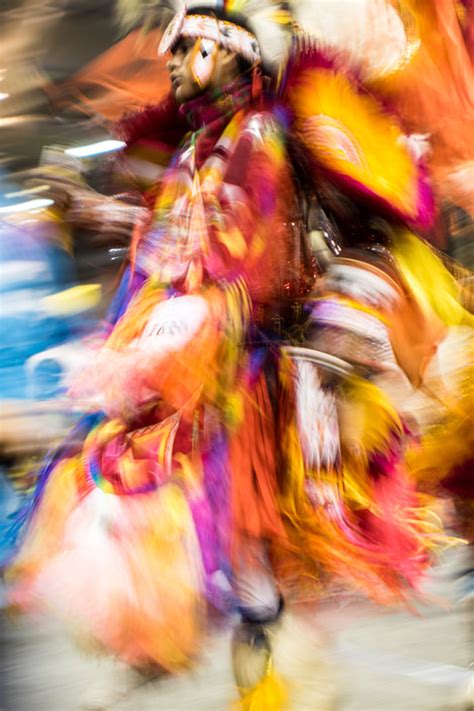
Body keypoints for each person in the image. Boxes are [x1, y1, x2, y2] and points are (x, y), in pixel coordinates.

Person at [4, 2, 472, 708]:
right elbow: (174, 246)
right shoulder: (194, 152)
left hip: (263, 372)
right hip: (191, 369)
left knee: (257, 553)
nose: (169, 60)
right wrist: (99, 216)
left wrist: (343, 321)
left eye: (185, 45)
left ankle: (273, 679)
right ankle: (222, 657)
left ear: (232, 52)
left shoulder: (280, 132)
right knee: (147, 500)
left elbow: (368, 227)